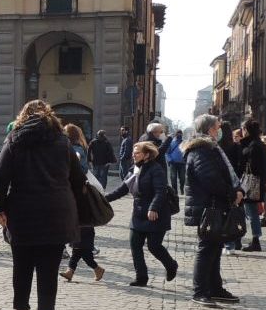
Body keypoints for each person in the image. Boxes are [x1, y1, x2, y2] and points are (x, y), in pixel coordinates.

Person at [0, 101, 83, 310]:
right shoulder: (63, 141)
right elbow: (78, 178)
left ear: (23, 116)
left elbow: (0, 176)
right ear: (50, 117)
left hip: (21, 212)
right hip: (55, 212)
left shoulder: (14, 139)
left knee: (21, 267)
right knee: (48, 272)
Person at [182, 114, 244, 308]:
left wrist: (236, 190)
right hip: (208, 206)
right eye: (218, 127)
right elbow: (210, 180)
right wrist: (232, 193)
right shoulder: (202, 150)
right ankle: (200, 290)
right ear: (210, 129)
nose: (220, 131)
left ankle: (215, 288)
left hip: (216, 204)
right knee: (207, 248)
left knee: (215, 247)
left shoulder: (210, 148)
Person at [106, 141, 177, 287]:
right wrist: (103, 200)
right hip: (138, 213)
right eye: (133, 152)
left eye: (137, 152)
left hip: (156, 214)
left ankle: (171, 265)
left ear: (147, 155)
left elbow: (160, 191)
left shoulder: (156, 169)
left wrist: (153, 208)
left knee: (154, 246)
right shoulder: (133, 169)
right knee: (135, 245)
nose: (133, 154)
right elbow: (122, 190)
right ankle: (141, 277)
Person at [60, 123, 103, 282]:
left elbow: (78, 166)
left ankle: (91, 269)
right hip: (78, 198)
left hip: (79, 199)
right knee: (79, 242)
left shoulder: (75, 149)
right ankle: (82, 269)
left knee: (80, 239)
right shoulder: (76, 147)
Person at [237, 119, 266, 252]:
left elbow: (256, 167)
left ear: (247, 130)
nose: (242, 132)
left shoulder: (254, 145)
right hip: (253, 182)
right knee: (250, 212)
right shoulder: (254, 143)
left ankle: (255, 240)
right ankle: (250, 239)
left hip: (251, 183)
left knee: (252, 213)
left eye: (243, 129)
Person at [165, 129, 186, 195]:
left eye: (180, 133)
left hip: (182, 163)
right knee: (173, 178)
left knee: (182, 178)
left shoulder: (184, 143)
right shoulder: (171, 142)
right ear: (175, 134)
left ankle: (182, 189)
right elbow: (167, 153)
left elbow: (186, 152)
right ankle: (175, 192)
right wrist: (170, 160)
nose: (179, 135)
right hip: (173, 163)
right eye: (178, 133)